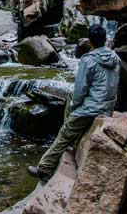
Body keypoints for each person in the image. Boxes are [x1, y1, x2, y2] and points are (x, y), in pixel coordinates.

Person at [28, 24, 120, 181]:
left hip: (92, 108)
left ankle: (45, 168)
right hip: (108, 105)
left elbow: (80, 89)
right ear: (106, 40)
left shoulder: (88, 60)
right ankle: (73, 136)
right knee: (71, 96)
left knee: (65, 132)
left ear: (90, 42)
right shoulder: (115, 57)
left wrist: (75, 107)